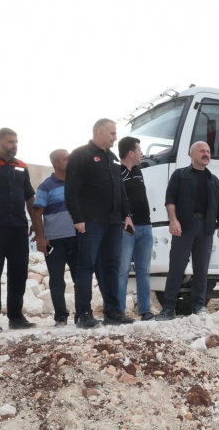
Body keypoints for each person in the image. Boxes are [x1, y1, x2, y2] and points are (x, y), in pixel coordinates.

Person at [65, 119, 135, 329]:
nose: (115, 137)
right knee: (86, 266)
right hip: (90, 222)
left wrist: (127, 214)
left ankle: (113, 312)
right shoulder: (81, 154)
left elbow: (120, 189)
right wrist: (77, 218)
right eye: (112, 133)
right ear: (100, 132)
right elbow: (71, 190)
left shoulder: (113, 158)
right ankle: (83, 314)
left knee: (111, 266)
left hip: (113, 222)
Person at [156, 141, 219, 321]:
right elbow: (170, 200)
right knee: (177, 267)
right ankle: (168, 308)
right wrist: (173, 220)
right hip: (184, 227)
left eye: (208, 151)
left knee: (201, 269)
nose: (206, 154)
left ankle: (198, 305)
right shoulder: (180, 175)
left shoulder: (214, 180)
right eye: (202, 151)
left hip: (206, 228)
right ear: (191, 155)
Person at [0, 128, 36, 332]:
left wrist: (34, 222)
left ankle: (16, 316)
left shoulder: (21, 166)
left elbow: (29, 195)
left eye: (16, 141)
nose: (14, 145)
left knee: (19, 273)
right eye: (10, 142)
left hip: (19, 228)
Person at [31, 149, 78, 327]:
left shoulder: (77, 183)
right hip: (54, 241)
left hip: (76, 238)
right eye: (66, 159)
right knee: (57, 279)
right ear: (56, 164)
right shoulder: (46, 186)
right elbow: (37, 213)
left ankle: (83, 313)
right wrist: (41, 237)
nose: (70, 161)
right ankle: (60, 317)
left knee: (80, 278)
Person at [117, 137, 154, 321]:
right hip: (126, 229)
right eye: (139, 150)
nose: (141, 153)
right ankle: (119, 311)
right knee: (123, 270)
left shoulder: (140, 171)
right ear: (131, 153)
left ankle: (145, 310)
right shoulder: (116, 172)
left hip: (146, 226)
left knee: (144, 271)